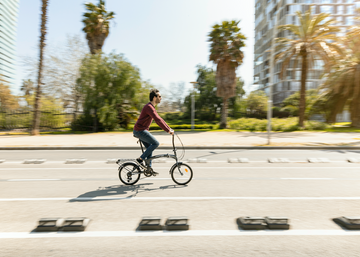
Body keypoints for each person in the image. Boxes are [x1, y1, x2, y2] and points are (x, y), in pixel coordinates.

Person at [133, 89, 174, 175]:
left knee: (150, 148)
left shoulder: (151, 107)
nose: (161, 98)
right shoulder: (149, 107)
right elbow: (157, 120)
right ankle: (140, 159)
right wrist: (168, 130)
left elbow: (160, 119)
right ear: (154, 98)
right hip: (140, 131)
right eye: (159, 96)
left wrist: (169, 128)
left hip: (140, 131)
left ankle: (149, 168)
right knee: (155, 143)